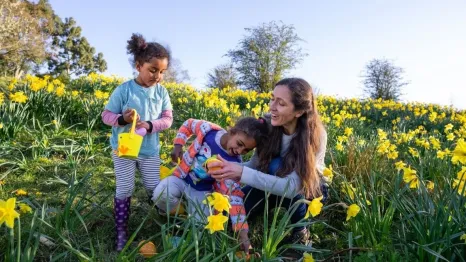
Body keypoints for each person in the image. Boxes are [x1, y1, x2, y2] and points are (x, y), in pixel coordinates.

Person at [208, 78, 328, 246]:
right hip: (271, 184)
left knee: (276, 165)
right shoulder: (269, 126)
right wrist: (225, 168)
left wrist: (240, 172)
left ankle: (300, 231)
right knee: (229, 220)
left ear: (298, 111)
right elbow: (253, 167)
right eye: (272, 98)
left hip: (307, 192)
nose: (272, 106)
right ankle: (267, 205)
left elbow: (292, 188)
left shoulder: (315, 135)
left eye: (281, 103)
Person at [152, 117, 268, 253]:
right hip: (182, 177)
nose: (240, 151)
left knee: (201, 227)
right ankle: (179, 211)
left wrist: (243, 234)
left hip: (202, 191)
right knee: (159, 195)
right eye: (239, 143)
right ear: (232, 131)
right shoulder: (209, 131)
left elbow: (234, 197)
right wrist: (178, 144)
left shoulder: (233, 163)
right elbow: (188, 124)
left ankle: (183, 226)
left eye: (246, 150)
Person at [101, 33, 173, 251]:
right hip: (123, 149)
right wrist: (123, 119)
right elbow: (106, 116)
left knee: (154, 188)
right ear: (138, 65)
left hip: (149, 150)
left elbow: (168, 120)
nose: (157, 76)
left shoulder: (161, 92)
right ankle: (121, 231)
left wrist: (149, 125)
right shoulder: (123, 90)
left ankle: (167, 223)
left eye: (162, 72)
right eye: (153, 70)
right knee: (125, 187)